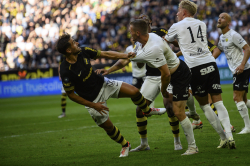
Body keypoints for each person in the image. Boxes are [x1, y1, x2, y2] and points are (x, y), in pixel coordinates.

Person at [97, 19, 199, 155]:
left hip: (177, 74)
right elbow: (127, 59)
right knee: (140, 108)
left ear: (138, 32)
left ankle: (189, 145)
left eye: (131, 31)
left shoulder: (153, 47)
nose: (129, 33)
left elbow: (166, 74)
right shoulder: (144, 41)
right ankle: (144, 143)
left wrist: (163, 90)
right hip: (154, 77)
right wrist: (109, 70)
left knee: (175, 110)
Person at [57, 33, 155, 157]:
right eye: (73, 42)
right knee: (108, 126)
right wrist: (93, 105)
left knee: (135, 92)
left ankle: (147, 110)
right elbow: (71, 95)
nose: (77, 43)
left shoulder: (84, 51)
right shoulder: (66, 71)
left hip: (103, 84)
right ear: (68, 50)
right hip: (92, 99)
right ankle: (125, 145)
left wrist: (126, 56)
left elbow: (106, 54)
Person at [164, 0, 235, 149]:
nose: (176, 14)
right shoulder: (201, 24)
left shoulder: (176, 26)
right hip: (210, 63)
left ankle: (222, 138)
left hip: (195, 68)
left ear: (184, 12)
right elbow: (190, 40)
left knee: (205, 105)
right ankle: (229, 136)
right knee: (219, 102)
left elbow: (165, 42)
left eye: (178, 11)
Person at [177, 40, 235, 132]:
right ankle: (196, 121)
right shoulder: (190, 41)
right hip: (193, 72)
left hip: (202, 71)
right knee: (186, 93)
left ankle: (227, 126)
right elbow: (185, 49)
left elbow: (217, 50)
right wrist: (176, 54)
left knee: (208, 100)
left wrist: (209, 60)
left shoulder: (201, 41)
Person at [217, 12, 250, 134]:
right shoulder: (221, 37)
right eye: (219, 17)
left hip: (241, 69)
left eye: (223, 18)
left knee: (236, 98)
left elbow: (247, 48)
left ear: (228, 23)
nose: (219, 19)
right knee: (244, 101)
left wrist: (241, 65)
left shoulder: (234, 35)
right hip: (236, 70)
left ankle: (248, 127)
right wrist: (209, 60)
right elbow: (219, 49)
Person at [58, 54, 67, 118]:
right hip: (66, 77)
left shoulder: (73, 53)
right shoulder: (62, 56)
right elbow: (60, 65)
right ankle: (63, 113)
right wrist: (59, 74)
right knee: (63, 96)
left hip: (74, 76)